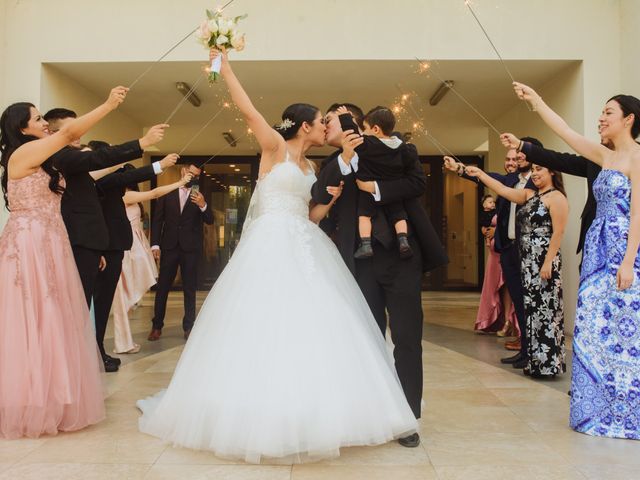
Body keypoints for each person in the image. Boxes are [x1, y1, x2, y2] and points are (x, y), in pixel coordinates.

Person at [136, 49, 418, 463]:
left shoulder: (311, 167)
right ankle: (261, 412)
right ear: (304, 125)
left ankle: (310, 408)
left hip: (305, 241)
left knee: (314, 325)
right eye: (321, 121)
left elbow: (313, 214)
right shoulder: (274, 147)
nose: (327, 127)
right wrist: (224, 66)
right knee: (265, 322)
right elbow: (248, 110)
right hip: (270, 244)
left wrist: (327, 202)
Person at [312, 104, 447, 447]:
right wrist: (344, 158)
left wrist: (377, 189)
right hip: (360, 261)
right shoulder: (333, 164)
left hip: (402, 258)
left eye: (333, 121)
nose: (327, 127)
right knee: (366, 340)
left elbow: (416, 184)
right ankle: (369, 414)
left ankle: (407, 419)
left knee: (406, 339)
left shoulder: (401, 150)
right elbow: (318, 197)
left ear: (356, 125)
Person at [513, 82, 640, 438]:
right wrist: (537, 100)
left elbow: (637, 216)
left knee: (625, 334)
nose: (601, 118)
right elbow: (566, 133)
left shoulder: (637, 158)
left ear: (629, 119)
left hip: (623, 251)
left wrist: (628, 261)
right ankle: (596, 412)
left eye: (608, 112)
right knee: (594, 332)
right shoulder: (605, 156)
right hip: (597, 248)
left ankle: (627, 413)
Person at [0, 88, 125, 438]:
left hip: (51, 239)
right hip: (31, 243)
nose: (44, 123)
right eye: (38, 118)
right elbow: (69, 133)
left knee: (52, 319)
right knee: (31, 319)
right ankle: (27, 402)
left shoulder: (42, 158)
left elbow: (82, 161)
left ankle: (52, 399)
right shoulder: (24, 152)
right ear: (22, 128)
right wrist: (108, 104)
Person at [46, 108, 167, 371]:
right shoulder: (67, 160)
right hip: (81, 242)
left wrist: (159, 165)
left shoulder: (76, 165)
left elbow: (121, 172)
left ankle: (92, 352)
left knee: (90, 304)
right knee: (84, 303)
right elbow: (110, 166)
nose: (79, 132)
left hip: (95, 245)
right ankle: (81, 357)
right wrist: (142, 144)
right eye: (73, 128)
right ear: (54, 132)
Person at [465, 162, 568, 378]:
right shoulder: (529, 195)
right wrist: (481, 174)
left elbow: (558, 233)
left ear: (552, 171)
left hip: (543, 262)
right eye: (535, 170)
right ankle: (534, 361)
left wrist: (548, 262)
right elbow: (502, 190)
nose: (536, 174)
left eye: (540, 169)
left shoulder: (556, 197)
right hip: (526, 262)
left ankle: (547, 365)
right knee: (530, 310)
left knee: (545, 311)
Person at [444, 145, 537, 368]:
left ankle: (533, 351)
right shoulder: (509, 180)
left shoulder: (537, 181)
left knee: (529, 302)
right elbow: (486, 178)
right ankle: (524, 348)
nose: (511, 162)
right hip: (508, 249)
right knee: (517, 299)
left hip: (529, 250)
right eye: (508, 159)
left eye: (516, 158)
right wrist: (460, 169)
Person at [112, 168, 193, 354]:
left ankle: (125, 338)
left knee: (127, 296)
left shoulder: (131, 196)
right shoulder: (126, 195)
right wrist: (180, 183)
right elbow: (155, 194)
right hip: (128, 248)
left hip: (137, 247)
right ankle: (125, 339)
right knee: (124, 297)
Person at [336, 106, 413, 259]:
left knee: (364, 215)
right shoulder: (403, 148)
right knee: (399, 214)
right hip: (392, 189)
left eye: (365, 128)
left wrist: (345, 118)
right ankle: (403, 240)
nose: (363, 132)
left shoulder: (370, 145)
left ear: (376, 129)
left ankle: (366, 245)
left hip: (367, 187)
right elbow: (409, 160)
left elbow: (353, 135)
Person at [148, 163, 214, 341]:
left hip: (190, 248)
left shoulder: (199, 194)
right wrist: (155, 245)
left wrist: (203, 205)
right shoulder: (167, 192)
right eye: (191, 174)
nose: (194, 178)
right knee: (162, 288)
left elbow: (210, 220)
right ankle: (156, 326)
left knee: (189, 288)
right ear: (183, 171)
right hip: (169, 246)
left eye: (197, 176)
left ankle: (189, 327)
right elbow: (157, 220)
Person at [475, 195, 518, 336]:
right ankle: (500, 321)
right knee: (495, 287)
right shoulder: (492, 209)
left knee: (508, 285)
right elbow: (484, 227)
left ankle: (509, 322)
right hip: (494, 253)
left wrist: (496, 231)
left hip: (507, 250)